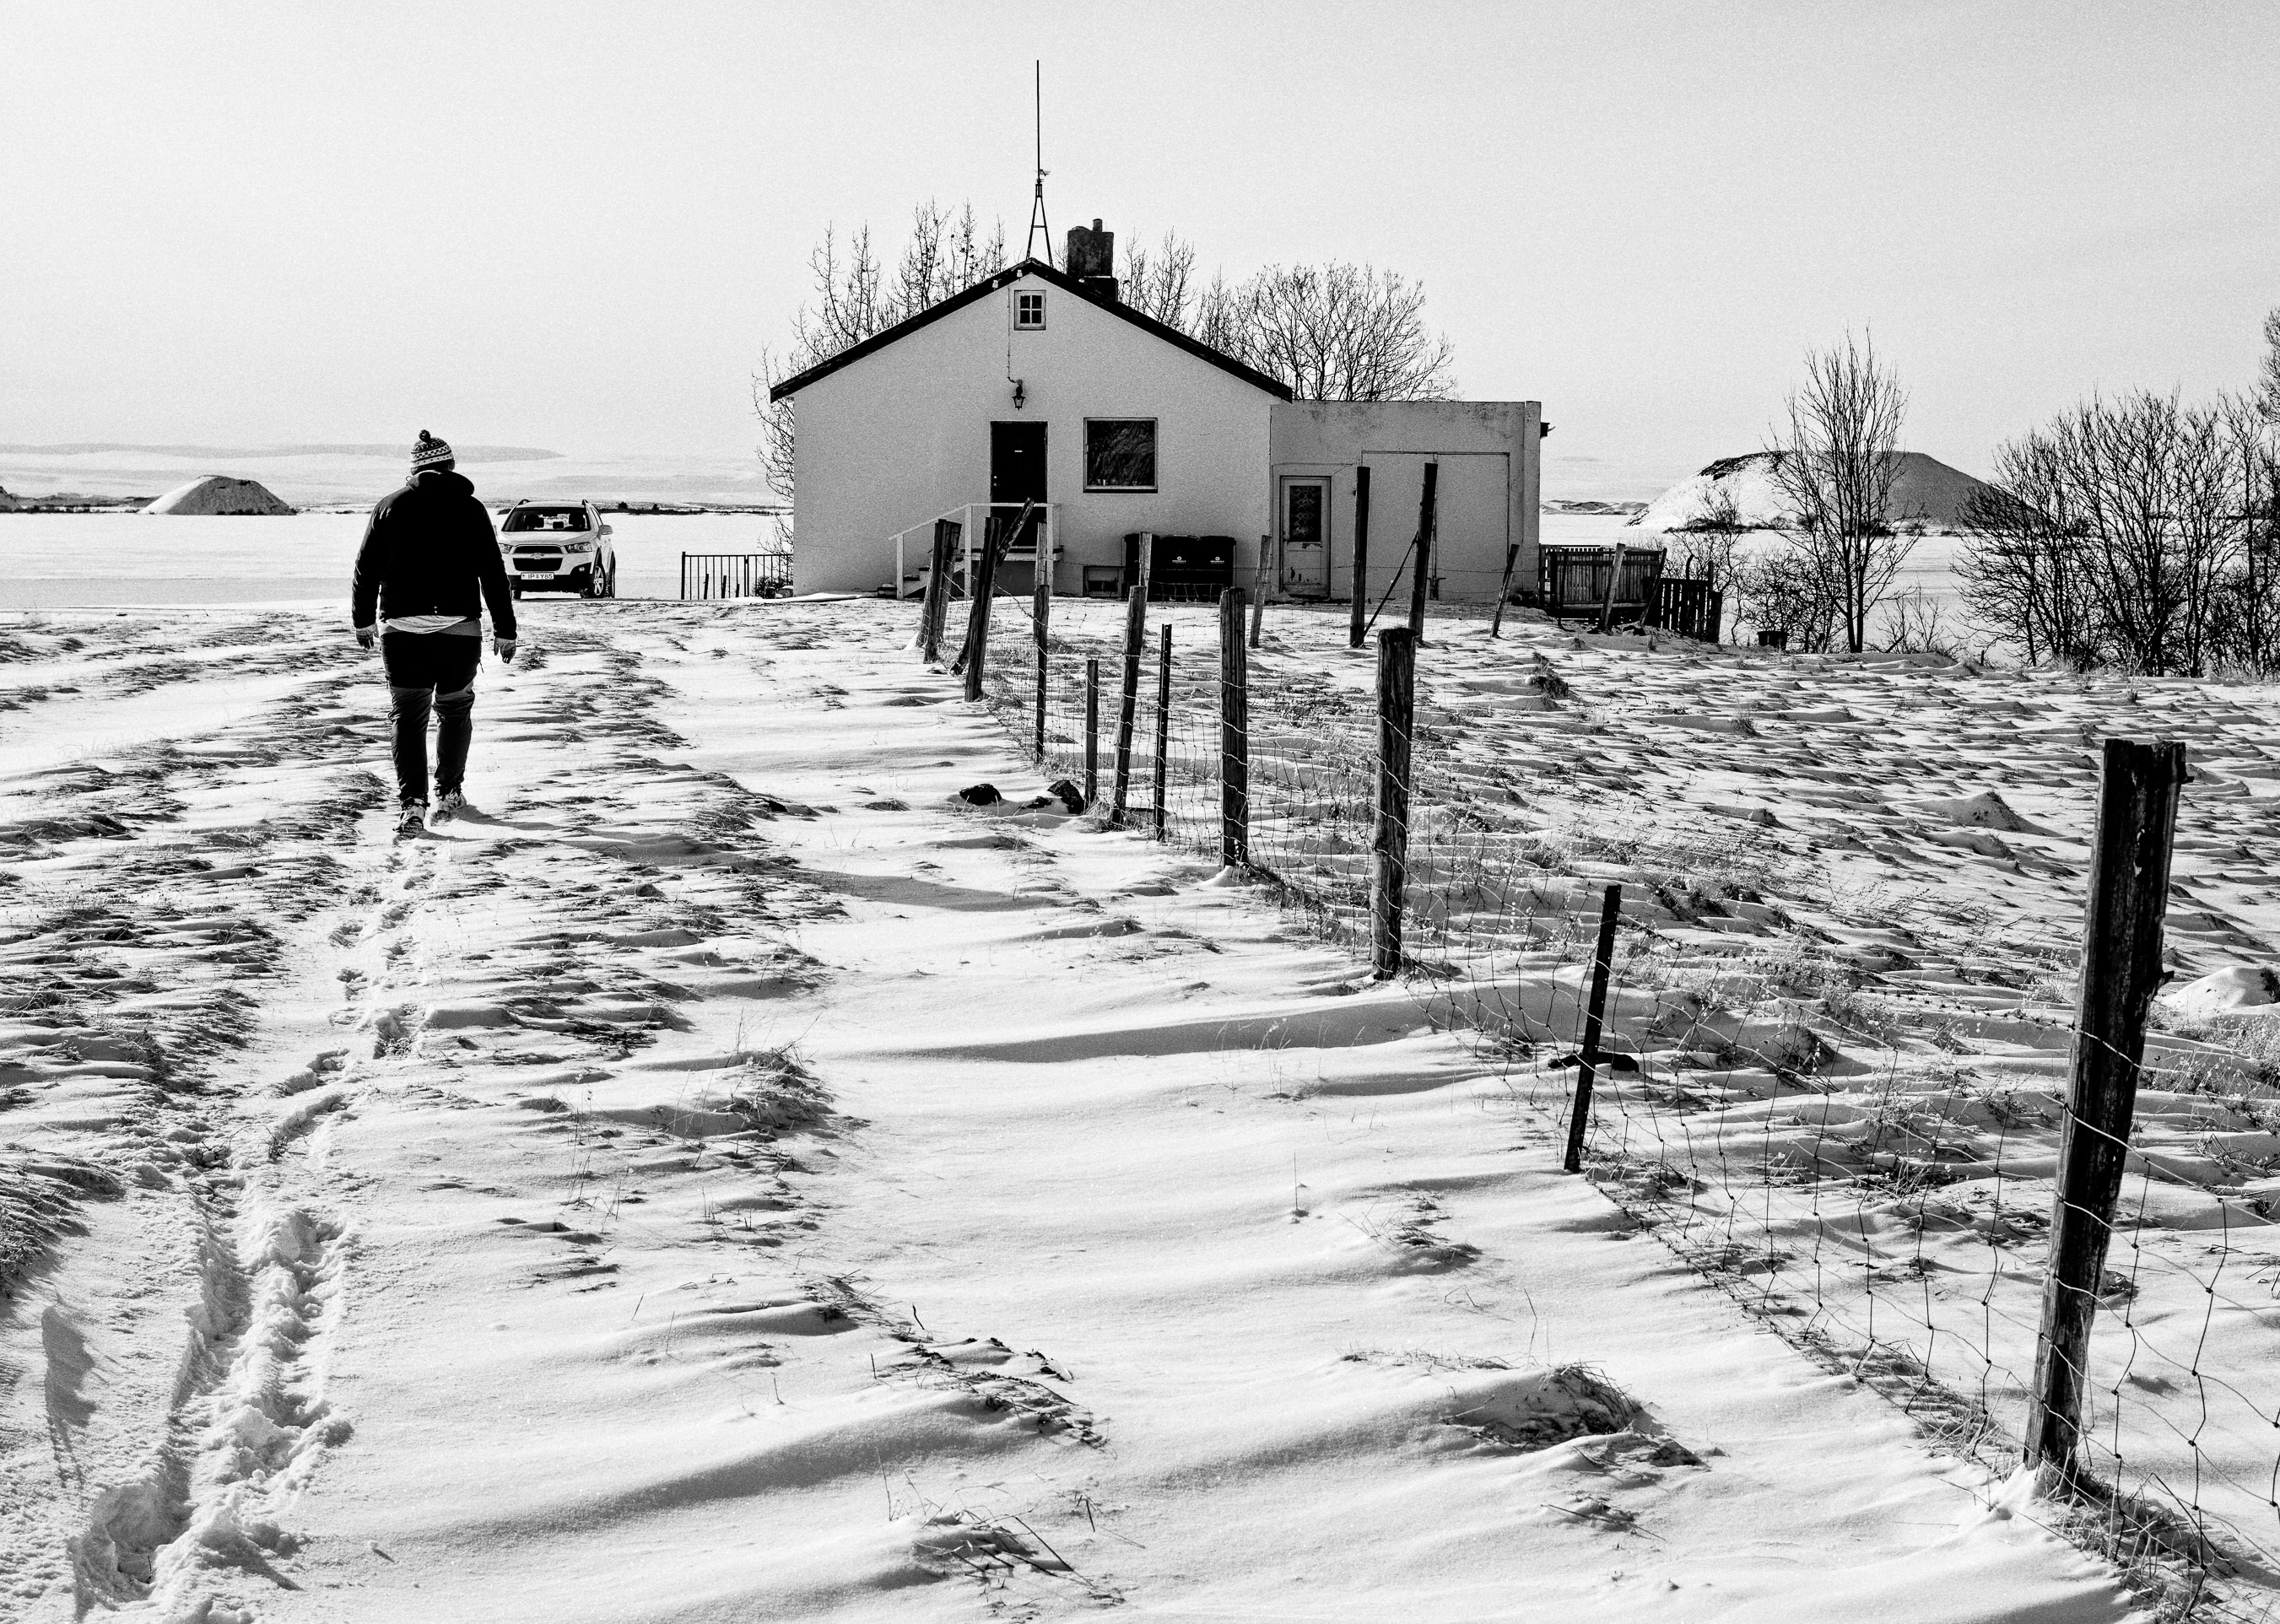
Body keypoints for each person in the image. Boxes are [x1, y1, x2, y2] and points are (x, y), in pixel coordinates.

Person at [350, 431, 518, 834]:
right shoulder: (471, 509)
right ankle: (449, 792)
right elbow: (493, 572)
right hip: (460, 631)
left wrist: (363, 620)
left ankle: (412, 804)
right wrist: (505, 629)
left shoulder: (388, 507)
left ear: (414, 470)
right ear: (450, 466)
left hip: (401, 631)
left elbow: (365, 568)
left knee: (408, 716)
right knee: (455, 710)